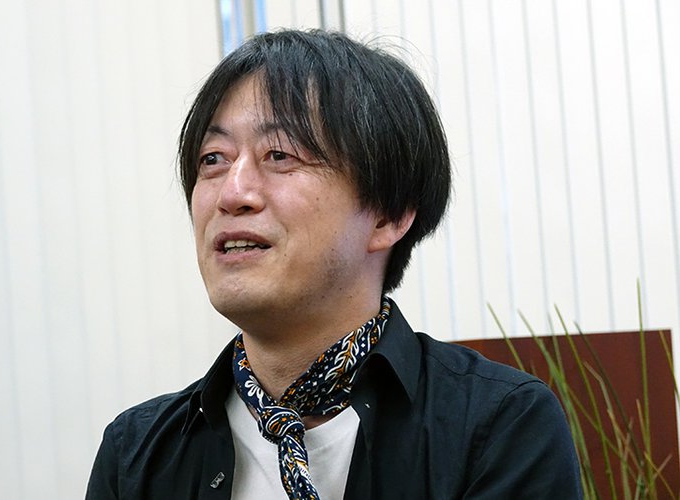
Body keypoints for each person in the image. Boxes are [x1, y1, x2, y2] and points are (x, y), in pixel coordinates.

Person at [86, 29, 582, 499]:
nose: (232, 193)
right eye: (213, 158)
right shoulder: (137, 454)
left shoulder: (498, 426)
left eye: (279, 154)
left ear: (387, 215)